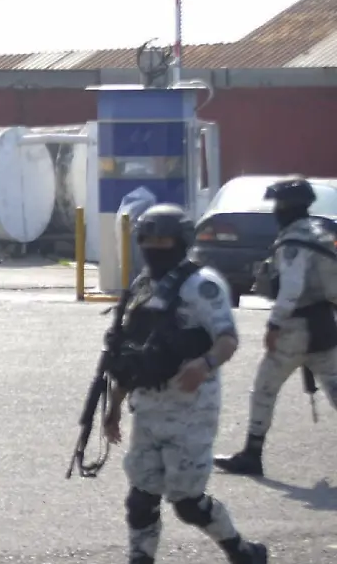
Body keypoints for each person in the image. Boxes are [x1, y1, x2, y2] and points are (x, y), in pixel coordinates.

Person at [102, 204, 267, 564]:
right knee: (141, 496)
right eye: (149, 240)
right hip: (148, 407)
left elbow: (228, 339)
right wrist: (114, 405)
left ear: (181, 242)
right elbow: (133, 354)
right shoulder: (144, 285)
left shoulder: (203, 286)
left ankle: (241, 551)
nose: (155, 247)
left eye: (163, 240)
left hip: (191, 410)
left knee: (188, 503)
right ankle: (140, 558)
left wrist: (205, 364)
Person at [215, 177, 337, 476]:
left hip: (295, 329)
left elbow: (291, 289)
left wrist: (274, 325)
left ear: (286, 208)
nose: (276, 212)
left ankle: (252, 454)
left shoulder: (293, 243)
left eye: (278, 206)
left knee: (264, 389)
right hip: (324, 325)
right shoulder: (321, 235)